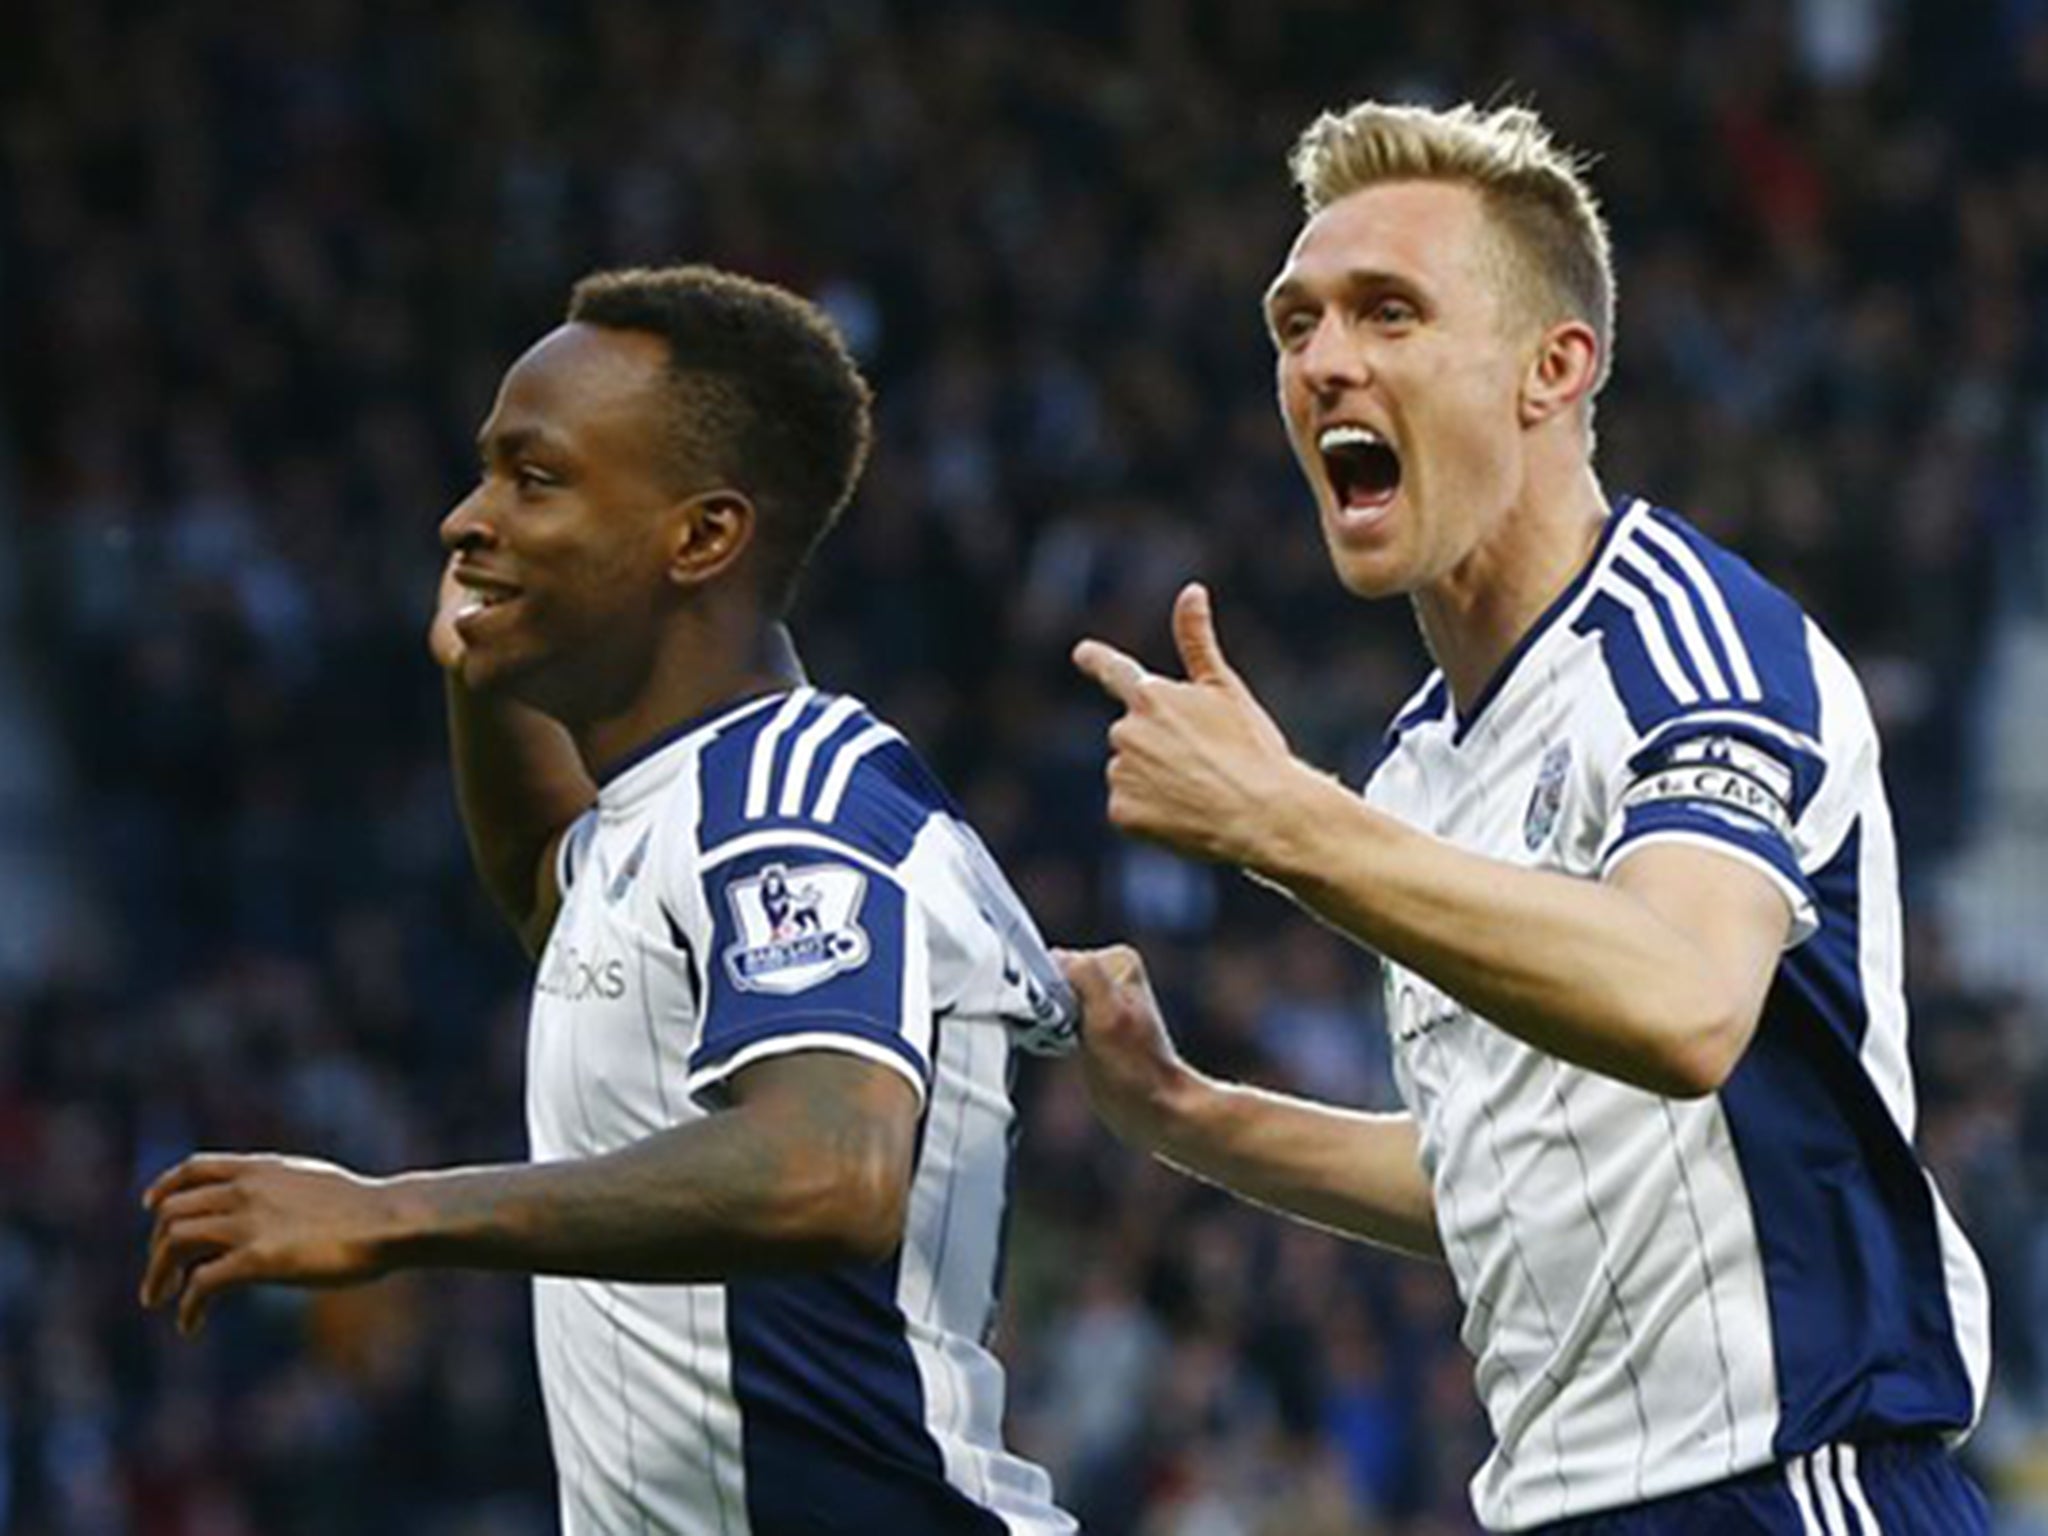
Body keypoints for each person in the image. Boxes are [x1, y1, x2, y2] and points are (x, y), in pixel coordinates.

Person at [1059, 101, 1992, 1535]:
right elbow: (1500, 1178)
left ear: (1552, 370)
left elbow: (1684, 1005)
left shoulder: (1687, 645)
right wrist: (1186, 1112)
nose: (1325, 361)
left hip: (1784, 1493)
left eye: (1388, 313)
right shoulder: (1420, 769)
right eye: (1295, 324)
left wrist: (1285, 826)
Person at [141, 264, 1078, 1535]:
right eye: (483, 473)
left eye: (534, 479)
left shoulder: (791, 804)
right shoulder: (667, 809)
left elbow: (829, 1168)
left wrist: (391, 1213)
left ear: (701, 538)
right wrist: (481, 681)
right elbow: (557, 894)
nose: (465, 520)